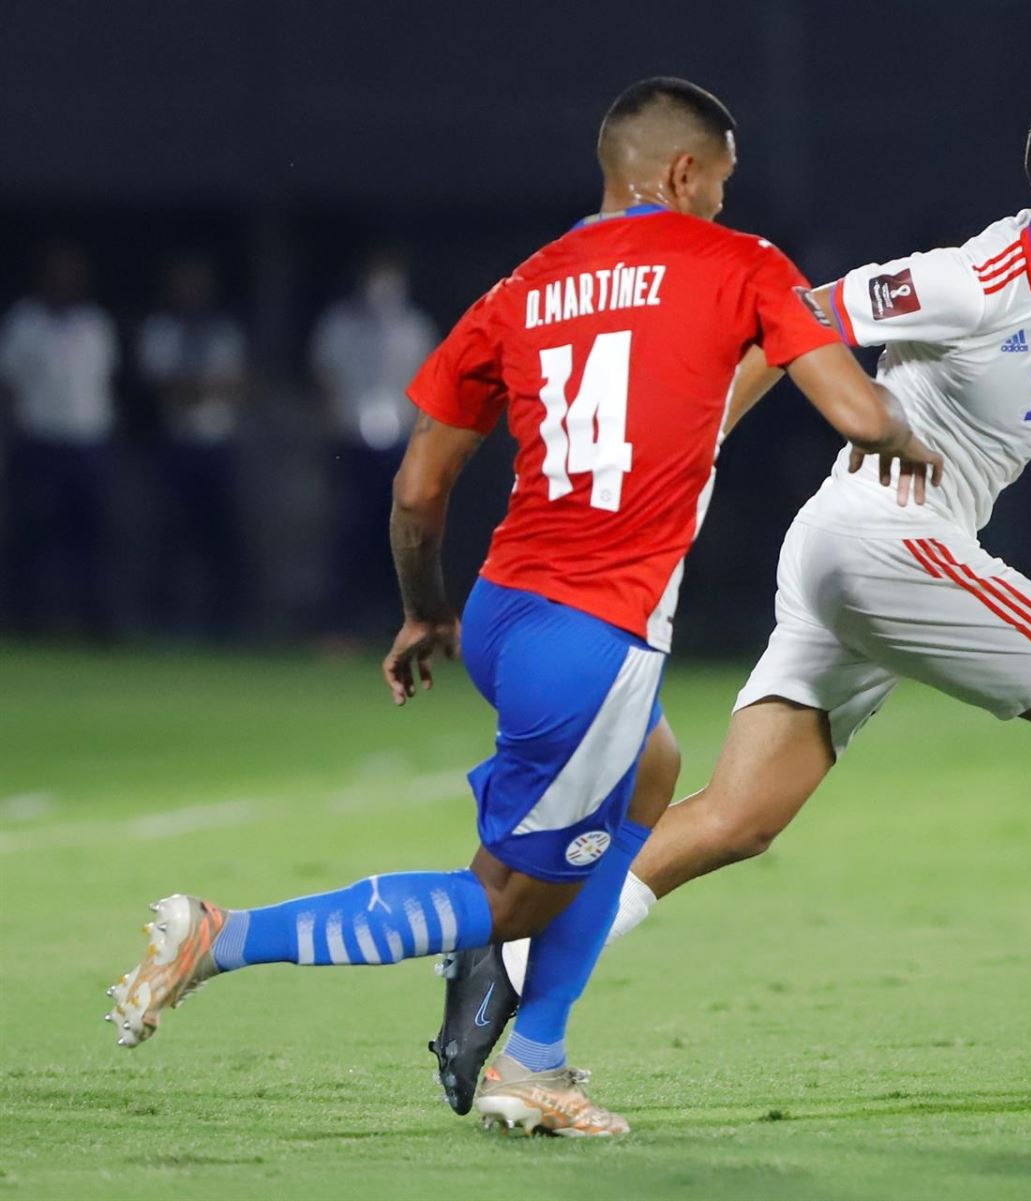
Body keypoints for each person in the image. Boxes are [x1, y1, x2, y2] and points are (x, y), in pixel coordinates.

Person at [105, 76, 942, 1139]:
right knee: (505, 903)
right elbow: (858, 409)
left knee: (655, 769)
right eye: (722, 183)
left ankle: (536, 1060)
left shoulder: (520, 288)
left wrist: (424, 613)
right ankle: (220, 935)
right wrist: (913, 440)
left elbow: (418, 489)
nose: (727, 204)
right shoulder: (741, 263)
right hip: (596, 639)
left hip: (506, 609)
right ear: (685, 173)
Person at [439, 86, 1031, 1103]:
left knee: (739, 817)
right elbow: (789, 319)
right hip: (881, 540)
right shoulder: (969, 279)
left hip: (866, 558)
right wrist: (694, 454)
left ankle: (508, 958)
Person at [309, 249, 437, 642]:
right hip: (351, 445)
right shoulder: (339, 325)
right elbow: (324, 377)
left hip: (400, 448)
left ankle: (405, 623)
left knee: (404, 538)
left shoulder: (415, 327)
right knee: (351, 536)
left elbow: (431, 388)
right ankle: (345, 625)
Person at [0, 243, 120, 637]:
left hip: (88, 442)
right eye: (58, 271)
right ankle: (25, 619)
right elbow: (10, 384)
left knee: (93, 536)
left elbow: (106, 382)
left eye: (72, 272)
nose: (65, 280)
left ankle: (95, 621)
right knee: (33, 536)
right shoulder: (25, 321)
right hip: (40, 441)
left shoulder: (95, 323)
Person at [136, 256, 250, 636]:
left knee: (221, 539)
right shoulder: (160, 330)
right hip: (175, 445)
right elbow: (161, 387)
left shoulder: (224, 333)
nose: (191, 291)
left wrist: (195, 387)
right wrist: (203, 387)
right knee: (168, 538)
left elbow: (237, 385)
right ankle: (162, 621)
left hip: (216, 446)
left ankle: (227, 623)